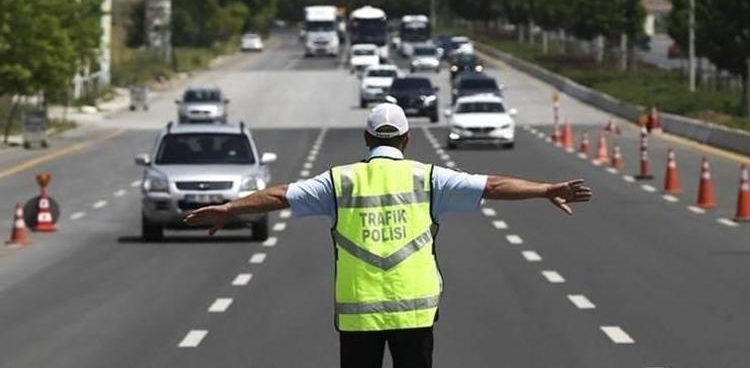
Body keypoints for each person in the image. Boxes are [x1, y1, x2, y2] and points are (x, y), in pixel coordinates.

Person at [184, 103, 592, 368]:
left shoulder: (339, 181)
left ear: (366, 139)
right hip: (414, 312)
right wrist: (546, 189)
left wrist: (230, 207)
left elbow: (279, 195)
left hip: (359, 312)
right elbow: (493, 185)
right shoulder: (428, 177)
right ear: (406, 139)